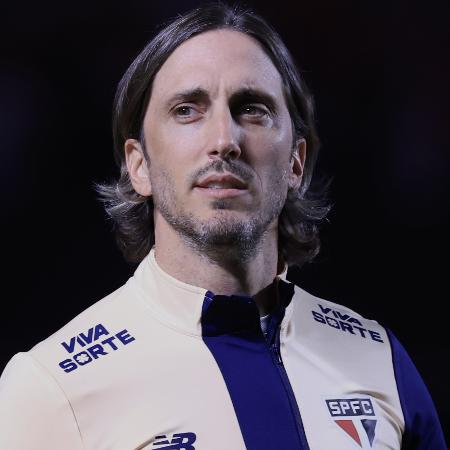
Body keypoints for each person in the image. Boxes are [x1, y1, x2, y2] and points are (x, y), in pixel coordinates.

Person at [0, 3, 446, 449]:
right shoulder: (51, 389)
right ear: (139, 166)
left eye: (252, 109)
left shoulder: (381, 361)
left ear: (296, 162)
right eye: (187, 110)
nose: (224, 141)